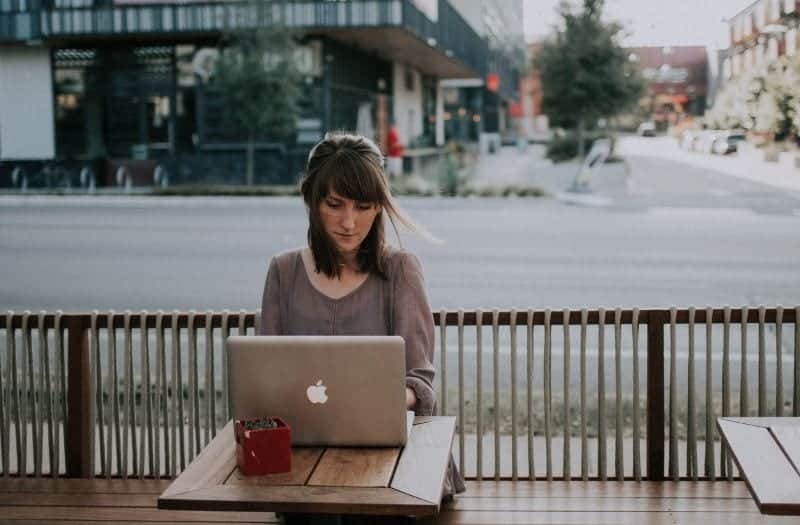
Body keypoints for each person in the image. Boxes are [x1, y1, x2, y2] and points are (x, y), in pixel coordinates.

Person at [258, 132, 465, 509]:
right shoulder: (283, 271)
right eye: (335, 204)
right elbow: (262, 379)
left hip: (393, 465)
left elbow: (420, 385)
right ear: (311, 199)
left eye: (364, 206)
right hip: (303, 463)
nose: (349, 222)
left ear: (379, 207)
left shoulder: (401, 270)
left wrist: (371, 405)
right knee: (315, 509)